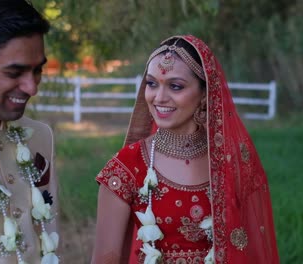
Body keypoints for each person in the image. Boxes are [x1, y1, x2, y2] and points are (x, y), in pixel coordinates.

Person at [93, 35, 280, 263]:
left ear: (204, 93)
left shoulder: (232, 162)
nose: (159, 97)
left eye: (175, 86)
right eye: (152, 84)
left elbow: (251, 249)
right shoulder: (127, 167)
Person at [0, 0, 59, 263]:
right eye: (14, 72)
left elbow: (50, 234)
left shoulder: (39, 136)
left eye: (37, 70)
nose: (32, 88)